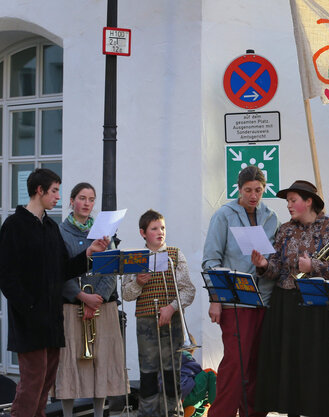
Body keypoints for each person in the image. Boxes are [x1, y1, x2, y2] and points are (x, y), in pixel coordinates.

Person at [0, 169, 109, 417]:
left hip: (52, 320)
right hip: (29, 321)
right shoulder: (14, 225)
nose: (58, 196)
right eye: (54, 190)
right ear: (40, 190)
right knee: (31, 385)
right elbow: (7, 277)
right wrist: (29, 308)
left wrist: (89, 253)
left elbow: (64, 269)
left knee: (45, 387)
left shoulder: (50, 227)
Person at [252, 180, 329, 417]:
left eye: (293, 200)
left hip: (316, 304)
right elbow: (277, 266)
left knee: (315, 363)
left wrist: (313, 265)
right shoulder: (285, 229)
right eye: (288, 201)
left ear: (308, 202)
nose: (288, 205)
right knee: (288, 361)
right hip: (286, 302)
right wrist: (265, 265)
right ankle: (291, 411)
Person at [202, 165, 278, 417]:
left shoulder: (271, 217)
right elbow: (210, 261)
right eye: (248, 190)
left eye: (258, 190)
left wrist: (263, 266)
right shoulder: (223, 215)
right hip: (235, 302)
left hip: (264, 300)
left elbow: (274, 262)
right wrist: (215, 298)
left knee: (257, 365)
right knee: (236, 364)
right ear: (239, 189)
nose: (253, 195)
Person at [55, 182, 128, 417]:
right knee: (70, 364)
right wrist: (82, 296)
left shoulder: (104, 231)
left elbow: (113, 267)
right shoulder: (59, 231)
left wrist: (97, 298)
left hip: (102, 306)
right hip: (72, 306)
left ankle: (99, 413)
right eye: (82, 198)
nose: (87, 204)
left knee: (102, 362)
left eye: (91, 199)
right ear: (72, 201)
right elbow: (58, 270)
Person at [123, 209, 196, 417]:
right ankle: (147, 413)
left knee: (172, 370)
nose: (160, 232)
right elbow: (127, 294)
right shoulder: (136, 258)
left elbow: (188, 290)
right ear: (143, 233)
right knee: (147, 372)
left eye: (162, 227)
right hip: (145, 322)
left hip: (171, 320)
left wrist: (171, 307)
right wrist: (138, 282)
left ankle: (172, 412)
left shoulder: (174, 254)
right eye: (154, 228)